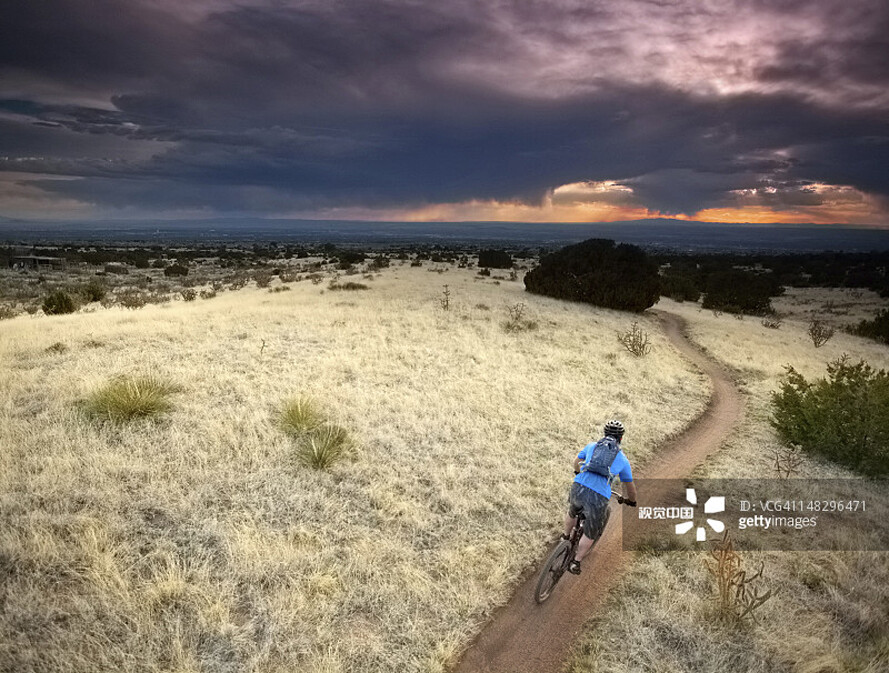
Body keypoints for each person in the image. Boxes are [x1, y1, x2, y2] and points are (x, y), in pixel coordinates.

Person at [562, 419, 637, 574]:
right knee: (591, 531)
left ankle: (564, 537)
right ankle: (576, 562)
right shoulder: (623, 460)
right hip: (599, 496)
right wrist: (631, 500)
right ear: (621, 438)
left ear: (604, 434)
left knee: (573, 510)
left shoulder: (591, 446)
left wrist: (578, 473)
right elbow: (630, 487)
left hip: (579, 486)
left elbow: (576, 462)